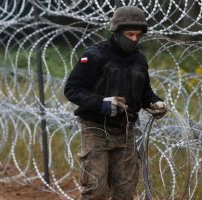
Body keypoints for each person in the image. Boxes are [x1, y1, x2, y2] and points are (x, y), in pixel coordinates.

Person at [64, 5, 167, 200]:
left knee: (125, 192)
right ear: (117, 32)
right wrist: (100, 103)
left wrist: (155, 103)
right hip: (96, 130)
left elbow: (145, 92)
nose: (134, 39)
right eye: (130, 34)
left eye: (138, 35)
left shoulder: (139, 60)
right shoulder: (94, 56)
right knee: (96, 191)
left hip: (126, 132)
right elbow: (72, 90)